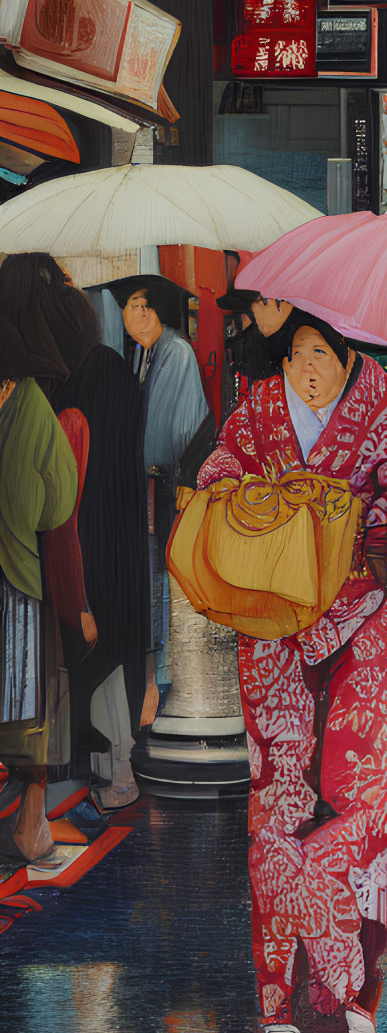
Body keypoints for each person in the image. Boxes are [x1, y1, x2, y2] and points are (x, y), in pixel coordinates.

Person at [190, 312, 387, 1033]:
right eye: (298, 353)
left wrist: (377, 523)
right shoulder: (258, 413)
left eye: (323, 354)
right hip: (275, 623)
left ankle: (355, 984)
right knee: (276, 798)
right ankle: (276, 994)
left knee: (362, 797)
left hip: (369, 619)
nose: (308, 369)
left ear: (350, 357)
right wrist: (250, 509)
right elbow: (216, 476)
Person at [2, 256, 146, 812]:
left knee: (70, 659)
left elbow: (51, 500)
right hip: (103, 541)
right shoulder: (107, 368)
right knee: (97, 653)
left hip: (69, 548)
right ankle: (103, 771)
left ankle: (84, 773)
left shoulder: (40, 388)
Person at [106, 276, 213, 726]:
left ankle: (161, 690)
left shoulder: (177, 352)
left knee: (164, 590)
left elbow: (175, 435)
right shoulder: (142, 355)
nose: (136, 315)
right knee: (148, 588)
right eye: (130, 306)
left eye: (143, 306)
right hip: (148, 492)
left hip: (168, 491)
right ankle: (151, 686)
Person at [0, 313, 83, 866]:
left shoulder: (32, 415)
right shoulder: (31, 413)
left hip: (19, 582)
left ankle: (31, 826)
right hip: (18, 579)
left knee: (29, 717)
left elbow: (59, 505)